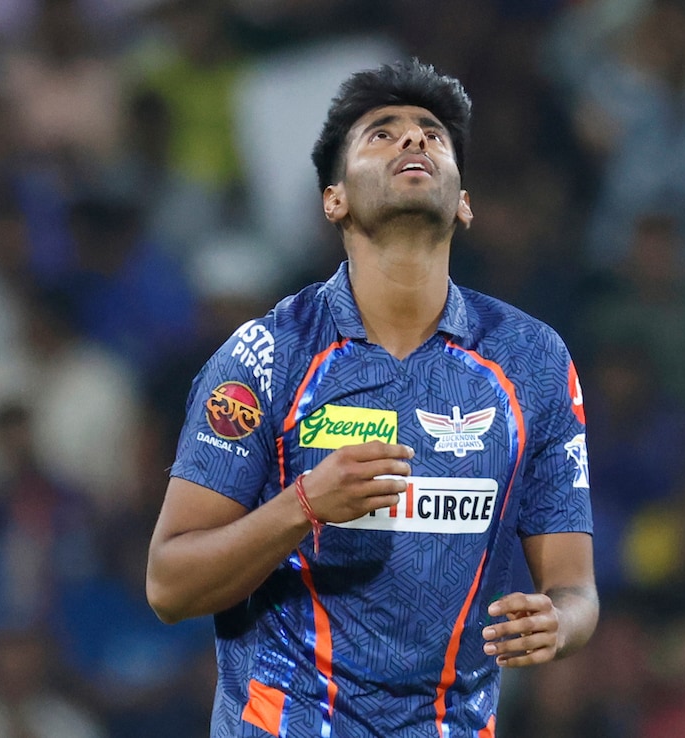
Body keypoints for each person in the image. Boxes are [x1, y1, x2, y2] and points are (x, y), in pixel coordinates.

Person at [147, 58, 598, 738]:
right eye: (381, 134)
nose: (413, 139)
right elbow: (169, 586)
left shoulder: (533, 360)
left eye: (433, 135)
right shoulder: (266, 357)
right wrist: (302, 506)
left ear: (463, 202)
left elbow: (575, 588)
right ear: (335, 200)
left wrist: (558, 624)